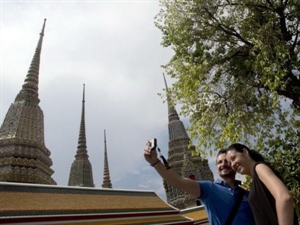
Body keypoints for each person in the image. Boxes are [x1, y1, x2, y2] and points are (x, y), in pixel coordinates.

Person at [144, 141, 255, 225]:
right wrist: (155, 162)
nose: (223, 164)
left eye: (227, 161)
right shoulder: (209, 188)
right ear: (216, 167)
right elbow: (178, 181)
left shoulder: (246, 193)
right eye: (219, 162)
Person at [226, 143, 298, 225]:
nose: (233, 164)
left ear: (245, 152)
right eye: (230, 163)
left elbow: (284, 197)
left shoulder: (259, 168)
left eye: (233, 158)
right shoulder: (255, 180)